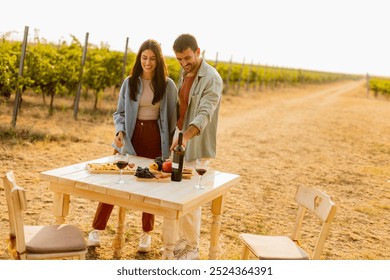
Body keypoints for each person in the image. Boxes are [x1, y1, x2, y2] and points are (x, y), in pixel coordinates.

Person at [87, 39, 178, 253]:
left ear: (159, 60)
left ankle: (146, 234)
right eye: (144, 58)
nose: (148, 62)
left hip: (155, 137)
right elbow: (119, 113)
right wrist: (119, 131)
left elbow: (173, 119)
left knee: (150, 184)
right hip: (129, 136)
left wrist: (171, 149)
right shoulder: (130, 82)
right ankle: (96, 230)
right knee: (114, 182)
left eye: (152, 58)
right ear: (139, 59)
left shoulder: (168, 85)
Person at [167, 34, 223, 260]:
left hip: (195, 143)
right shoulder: (185, 72)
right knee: (178, 195)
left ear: (198, 51)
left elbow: (204, 113)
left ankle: (193, 249)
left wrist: (186, 137)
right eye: (179, 59)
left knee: (191, 197)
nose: (183, 63)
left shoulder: (212, 78)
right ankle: (182, 241)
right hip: (180, 138)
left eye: (187, 58)